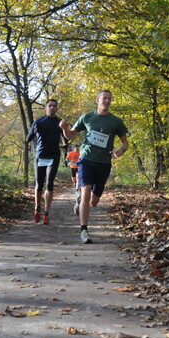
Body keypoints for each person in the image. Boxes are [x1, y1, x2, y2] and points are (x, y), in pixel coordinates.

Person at [60, 89, 129, 244]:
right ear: (97, 99)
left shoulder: (116, 121)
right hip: (86, 160)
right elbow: (71, 135)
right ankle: (84, 230)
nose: (107, 101)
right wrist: (64, 128)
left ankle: (80, 202)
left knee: (94, 202)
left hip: (104, 163)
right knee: (86, 194)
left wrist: (121, 150)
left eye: (109, 99)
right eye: (104, 98)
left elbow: (125, 142)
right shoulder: (87, 117)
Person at [26, 99, 64, 225]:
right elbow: (28, 139)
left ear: (57, 109)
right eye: (50, 106)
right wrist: (33, 131)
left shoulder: (60, 122)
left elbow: (66, 139)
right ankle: (37, 208)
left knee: (50, 184)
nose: (52, 108)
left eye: (54, 106)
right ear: (46, 108)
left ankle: (46, 213)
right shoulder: (39, 121)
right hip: (40, 156)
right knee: (39, 184)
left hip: (54, 156)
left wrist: (65, 142)